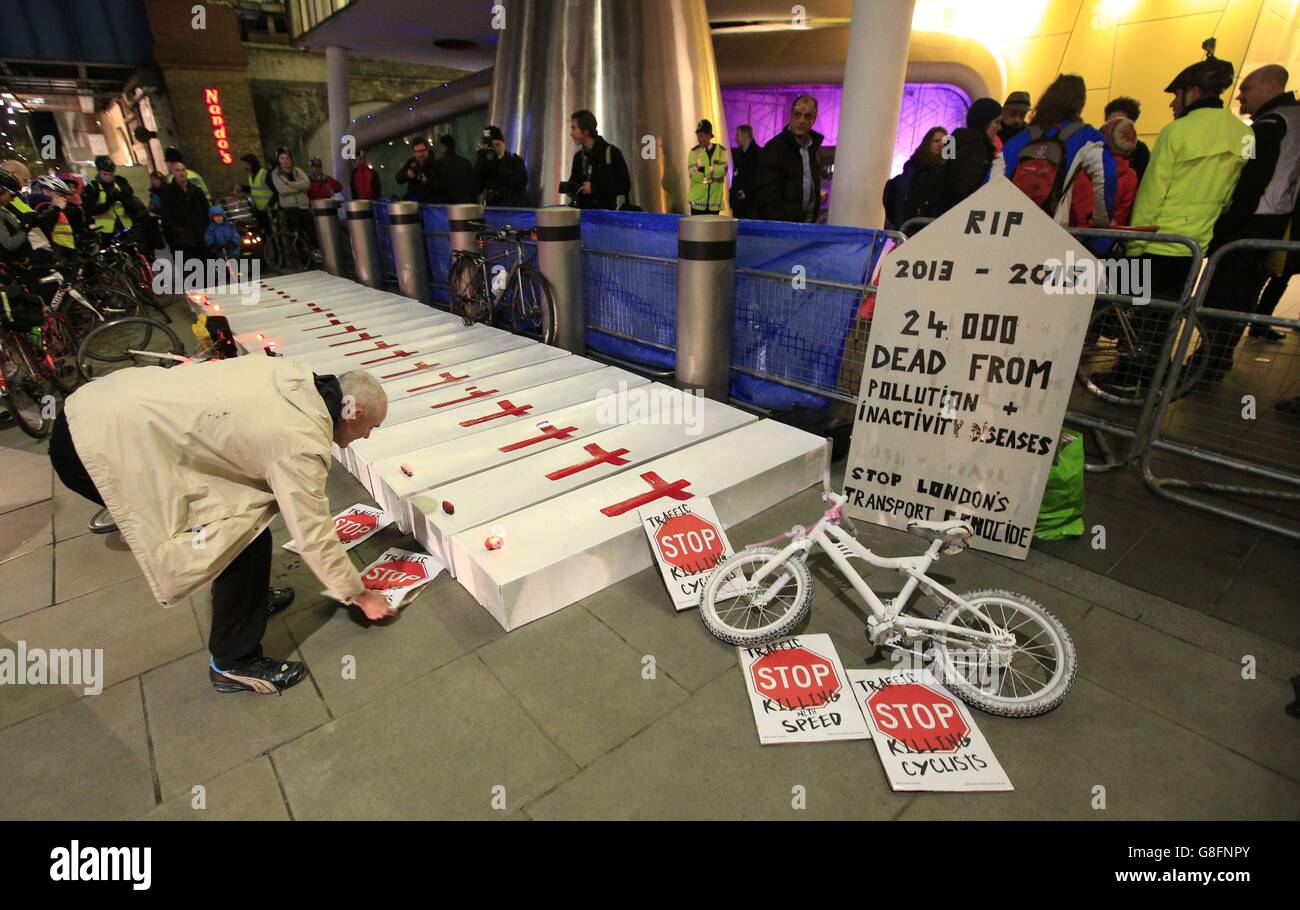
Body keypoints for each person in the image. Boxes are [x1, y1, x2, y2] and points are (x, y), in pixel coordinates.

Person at [48, 358, 396, 694]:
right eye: (372, 428)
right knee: (237, 538)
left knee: (245, 521)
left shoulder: (297, 378)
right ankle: (234, 663)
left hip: (98, 407)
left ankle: (249, 603)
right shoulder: (301, 441)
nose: (367, 437)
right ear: (355, 413)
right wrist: (359, 594)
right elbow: (312, 533)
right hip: (95, 448)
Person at [1096, 54, 1249, 394]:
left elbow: (1152, 194)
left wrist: (1134, 245)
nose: (1171, 103)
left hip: (1156, 240)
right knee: (1164, 319)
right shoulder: (1241, 135)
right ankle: (1150, 384)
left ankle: (1125, 380)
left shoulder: (1176, 132)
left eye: (1175, 95)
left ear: (1193, 92)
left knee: (1137, 313)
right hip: (1193, 245)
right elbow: (1229, 196)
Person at [1193, 64, 1300, 380]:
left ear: (1270, 87)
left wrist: (1223, 229)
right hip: (1275, 220)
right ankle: (1215, 361)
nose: (1240, 95)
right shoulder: (1290, 120)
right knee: (1242, 299)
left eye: (1247, 88)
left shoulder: (1272, 124)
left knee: (1224, 299)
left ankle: (1207, 363)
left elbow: (1250, 183)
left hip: (1253, 220)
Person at [1003, 74, 1114, 227]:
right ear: (1079, 104)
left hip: (1011, 226)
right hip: (1051, 229)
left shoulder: (1021, 138)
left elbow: (991, 182)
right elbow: (1105, 175)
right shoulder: (1085, 136)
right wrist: (1101, 221)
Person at [753, 95, 824, 222]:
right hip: (781, 229)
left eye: (807, 116)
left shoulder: (812, 149)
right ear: (790, 116)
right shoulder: (774, 148)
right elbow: (767, 195)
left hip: (805, 229)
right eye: (797, 115)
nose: (801, 120)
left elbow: (812, 191)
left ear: (813, 120)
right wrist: (780, 226)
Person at [1070, 116, 1139, 228]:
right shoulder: (1131, 177)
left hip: (1072, 231)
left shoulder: (1085, 163)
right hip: (1102, 236)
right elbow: (1120, 217)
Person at [562, 109, 632, 210]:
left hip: (605, 217)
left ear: (585, 130)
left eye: (574, 128)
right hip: (581, 215)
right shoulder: (578, 157)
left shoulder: (611, 153)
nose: (571, 133)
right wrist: (570, 188)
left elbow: (625, 185)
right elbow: (575, 181)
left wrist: (594, 188)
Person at [943, 98, 1003, 213]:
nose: (1000, 127)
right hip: (958, 215)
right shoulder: (978, 148)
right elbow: (966, 189)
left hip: (941, 211)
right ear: (985, 122)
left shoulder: (954, 139)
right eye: (997, 122)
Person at [882, 126, 947, 230]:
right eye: (936, 141)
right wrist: (901, 226)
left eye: (944, 143)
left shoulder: (944, 168)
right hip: (911, 225)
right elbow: (903, 196)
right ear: (928, 142)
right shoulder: (914, 166)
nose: (940, 145)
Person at [159, 160, 211, 262]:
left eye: (183, 170)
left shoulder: (196, 190)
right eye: (177, 171)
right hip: (181, 238)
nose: (181, 173)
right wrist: (178, 231)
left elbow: (205, 209)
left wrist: (205, 227)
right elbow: (166, 215)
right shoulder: (168, 192)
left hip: (199, 235)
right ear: (173, 173)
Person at [472, 125, 529, 206]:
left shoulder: (515, 160)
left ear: (504, 144)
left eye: (498, 144)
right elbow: (476, 189)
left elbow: (521, 182)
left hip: (514, 208)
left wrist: (497, 166)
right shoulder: (484, 164)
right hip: (493, 210)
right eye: (491, 146)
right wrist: (480, 162)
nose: (495, 148)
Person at [82, 155, 137, 237]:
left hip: (126, 226)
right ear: (98, 171)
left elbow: (132, 201)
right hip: (106, 231)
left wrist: (123, 197)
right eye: (105, 174)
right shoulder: (92, 187)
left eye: (111, 174)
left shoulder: (120, 182)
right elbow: (89, 210)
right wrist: (108, 203)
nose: (109, 177)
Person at [270, 148, 314, 247]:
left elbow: (307, 185)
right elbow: (283, 190)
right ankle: (301, 255)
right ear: (279, 160)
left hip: (303, 206)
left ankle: (314, 251)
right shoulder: (276, 174)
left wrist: (290, 184)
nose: (285, 161)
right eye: (282, 158)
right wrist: (299, 188)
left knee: (311, 230)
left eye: (287, 158)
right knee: (295, 234)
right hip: (289, 208)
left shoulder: (298, 171)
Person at [687, 119, 729, 215]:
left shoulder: (721, 151)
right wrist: (713, 171)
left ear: (709, 135)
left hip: (714, 204)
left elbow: (723, 171)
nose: (698, 138)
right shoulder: (694, 152)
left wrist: (703, 171)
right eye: (698, 136)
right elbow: (693, 175)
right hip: (697, 203)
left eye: (701, 135)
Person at [1104, 96, 1151, 180]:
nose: (1114, 127)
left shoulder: (1140, 152)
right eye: (1111, 122)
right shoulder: (1096, 148)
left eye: (1120, 123)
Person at [238, 153, 275, 235]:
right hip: (260, 209)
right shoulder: (251, 177)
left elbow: (275, 190)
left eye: (246, 164)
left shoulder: (264, 174)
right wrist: (242, 187)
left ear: (252, 163)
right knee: (265, 234)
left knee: (274, 234)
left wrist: (270, 204)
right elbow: (254, 189)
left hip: (269, 210)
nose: (244, 167)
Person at [434, 135, 476, 205]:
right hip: (466, 205)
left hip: (448, 207)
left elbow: (438, 186)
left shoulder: (439, 164)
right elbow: (472, 186)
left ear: (444, 147)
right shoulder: (466, 163)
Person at [730, 124, 760, 219]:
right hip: (738, 205)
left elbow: (757, 177)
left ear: (745, 135)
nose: (736, 139)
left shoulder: (757, 154)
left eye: (738, 135)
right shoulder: (739, 154)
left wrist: (746, 192)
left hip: (749, 207)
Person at [396, 138, 437, 204]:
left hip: (430, 205)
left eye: (422, 151)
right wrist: (407, 175)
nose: (420, 154)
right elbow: (398, 178)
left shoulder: (434, 164)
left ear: (427, 150)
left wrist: (427, 181)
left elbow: (440, 184)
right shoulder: (411, 162)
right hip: (414, 205)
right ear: (414, 153)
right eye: (417, 152)